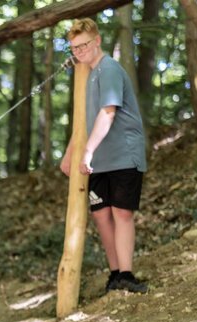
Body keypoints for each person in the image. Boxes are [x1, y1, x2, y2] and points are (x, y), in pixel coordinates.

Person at [60, 17, 149, 294]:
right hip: (99, 159)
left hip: (123, 153)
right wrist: (70, 154)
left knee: (121, 212)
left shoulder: (109, 69)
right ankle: (115, 273)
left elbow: (108, 112)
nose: (80, 51)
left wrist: (87, 152)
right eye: (75, 48)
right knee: (100, 215)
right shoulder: (88, 75)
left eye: (84, 45)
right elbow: (85, 121)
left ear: (97, 41)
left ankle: (126, 274)